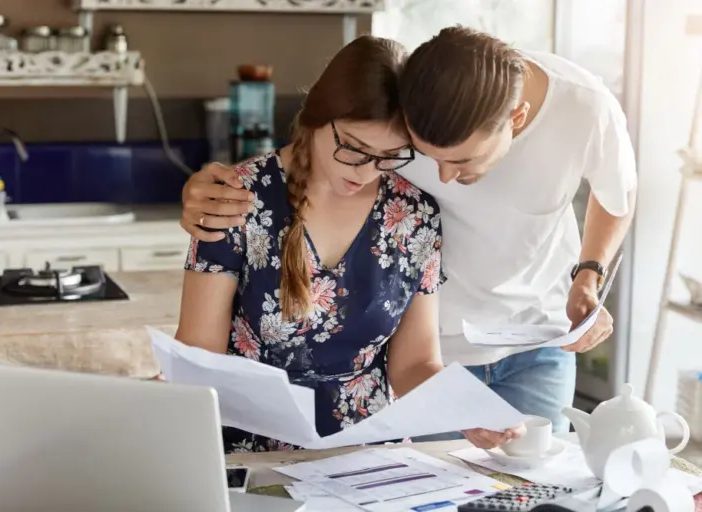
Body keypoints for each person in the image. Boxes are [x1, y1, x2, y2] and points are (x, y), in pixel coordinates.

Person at [178, 26, 637, 450]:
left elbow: (415, 364)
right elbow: (197, 357)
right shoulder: (240, 200)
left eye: (389, 157)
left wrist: (589, 274)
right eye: (355, 150)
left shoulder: (413, 212)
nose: (364, 171)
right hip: (252, 446)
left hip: (386, 442)